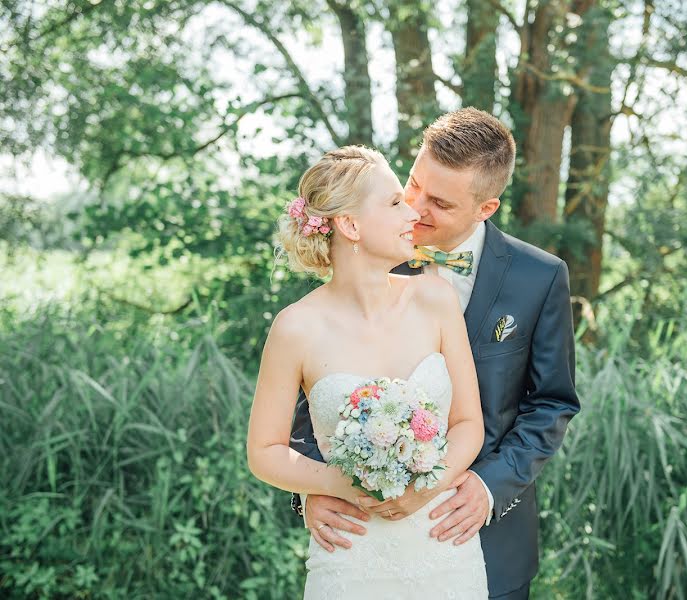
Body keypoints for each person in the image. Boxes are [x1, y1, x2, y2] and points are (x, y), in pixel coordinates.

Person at [291, 108, 580, 599]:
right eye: (413, 184)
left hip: (487, 539)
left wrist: (490, 487)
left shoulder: (540, 277)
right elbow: (312, 395)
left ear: (485, 209)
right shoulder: (365, 257)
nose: (415, 206)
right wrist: (311, 490)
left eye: (439, 202)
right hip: (364, 535)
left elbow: (552, 402)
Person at [246, 145, 490, 598]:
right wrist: (334, 483)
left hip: (444, 549)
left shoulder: (435, 299)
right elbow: (264, 451)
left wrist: (423, 488)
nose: (412, 213)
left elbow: (468, 424)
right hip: (351, 554)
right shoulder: (294, 327)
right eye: (395, 202)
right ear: (351, 224)